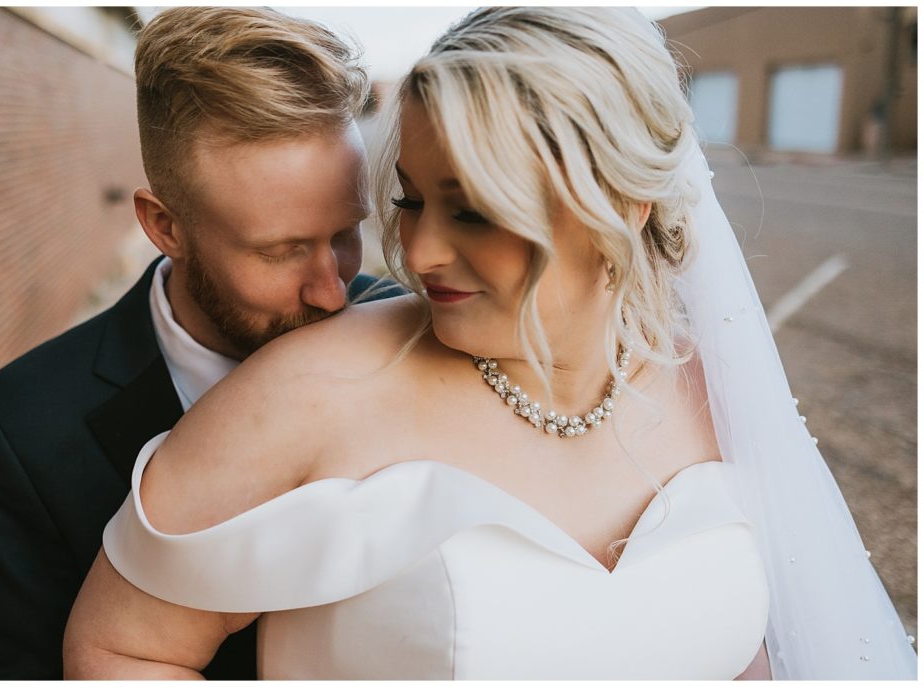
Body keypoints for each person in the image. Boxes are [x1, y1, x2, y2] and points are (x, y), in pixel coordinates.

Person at [63, 7, 917, 679]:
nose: (422, 253)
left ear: (622, 203)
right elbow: (122, 649)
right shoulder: (309, 390)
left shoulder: (711, 384)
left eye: (473, 207)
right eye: (410, 201)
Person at [0, 7, 400, 679]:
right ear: (165, 225)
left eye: (345, 234)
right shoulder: (26, 427)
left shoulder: (410, 335)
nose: (333, 292)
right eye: (281, 251)